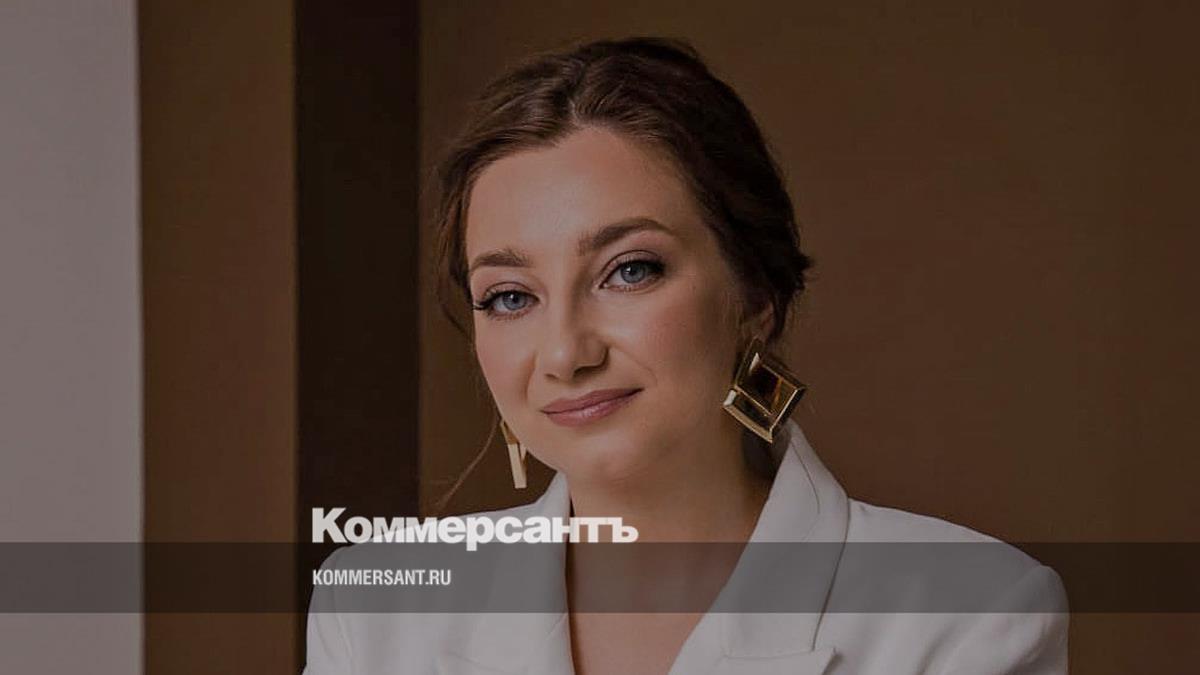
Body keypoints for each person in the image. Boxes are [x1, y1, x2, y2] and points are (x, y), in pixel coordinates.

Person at [303, 37, 1068, 674]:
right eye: (509, 296)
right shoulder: (375, 606)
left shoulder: (970, 611)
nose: (565, 352)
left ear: (754, 295)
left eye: (630, 270)